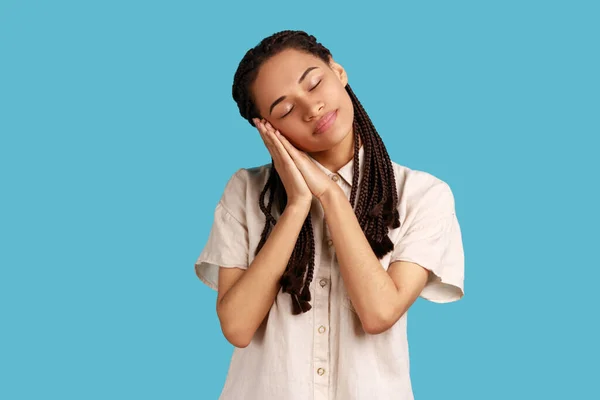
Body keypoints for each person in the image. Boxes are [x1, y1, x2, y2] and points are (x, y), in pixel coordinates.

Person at [194, 30, 465, 400]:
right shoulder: (245, 191)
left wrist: (330, 196)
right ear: (269, 130)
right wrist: (296, 206)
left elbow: (379, 313)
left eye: (314, 82)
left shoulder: (423, 195)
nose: (311, 108)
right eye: (285, 110)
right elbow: (237, 327)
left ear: (338, 71)